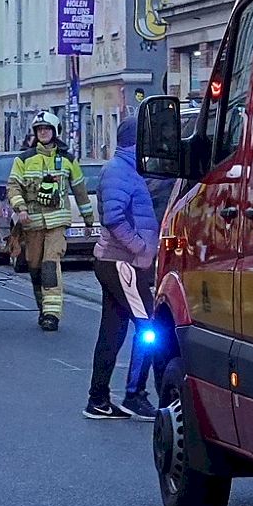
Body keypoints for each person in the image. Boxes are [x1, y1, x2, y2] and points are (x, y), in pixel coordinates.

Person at [87, 110, 161, 420]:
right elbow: (114, 217)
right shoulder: (121, 170)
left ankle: (98, 400)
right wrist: (141, 249)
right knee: (150, 329)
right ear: (137, 142)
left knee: (113, 332)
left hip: (115, 262)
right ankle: (134, 395)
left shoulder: (129, 169)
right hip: (123, 263)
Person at [6, 110, 94, 332]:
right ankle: (43, 308)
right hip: (32, 223)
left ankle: (52, 315)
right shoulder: (23, 160)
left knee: (49, 266)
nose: (43, 132)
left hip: (57, 224)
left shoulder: (67, 160)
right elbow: (13, 186)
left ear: (55, 132)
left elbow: (80, 190)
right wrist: (21, 208)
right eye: (39, 129)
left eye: (47, 129)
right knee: (35, 269)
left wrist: (89, 219)